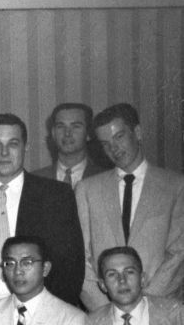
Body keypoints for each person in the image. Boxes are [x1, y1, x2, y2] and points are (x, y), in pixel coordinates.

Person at [0, 113, 84, 308]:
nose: (4, 153)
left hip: (40, 309)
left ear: (26, 147)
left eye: (13, 144)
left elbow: (71, 267)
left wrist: (50, 314)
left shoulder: (55, 196)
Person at [76, 103, 184, 310]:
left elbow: (179, 254)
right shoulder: (87, 189)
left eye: (119, 137)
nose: (113, 149)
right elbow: (81, 258)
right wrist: (105, 309)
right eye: (105, 144)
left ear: (138, 133)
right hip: (104, 311)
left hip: (160, 308)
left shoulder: (175, 186)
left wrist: (142, 307)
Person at [33, 103, 106, 188]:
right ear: (53, 133)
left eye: (75, 126)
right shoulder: (35, 180)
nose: (67, 133)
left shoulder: (105, 179)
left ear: (88, 133)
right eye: (60, 126)